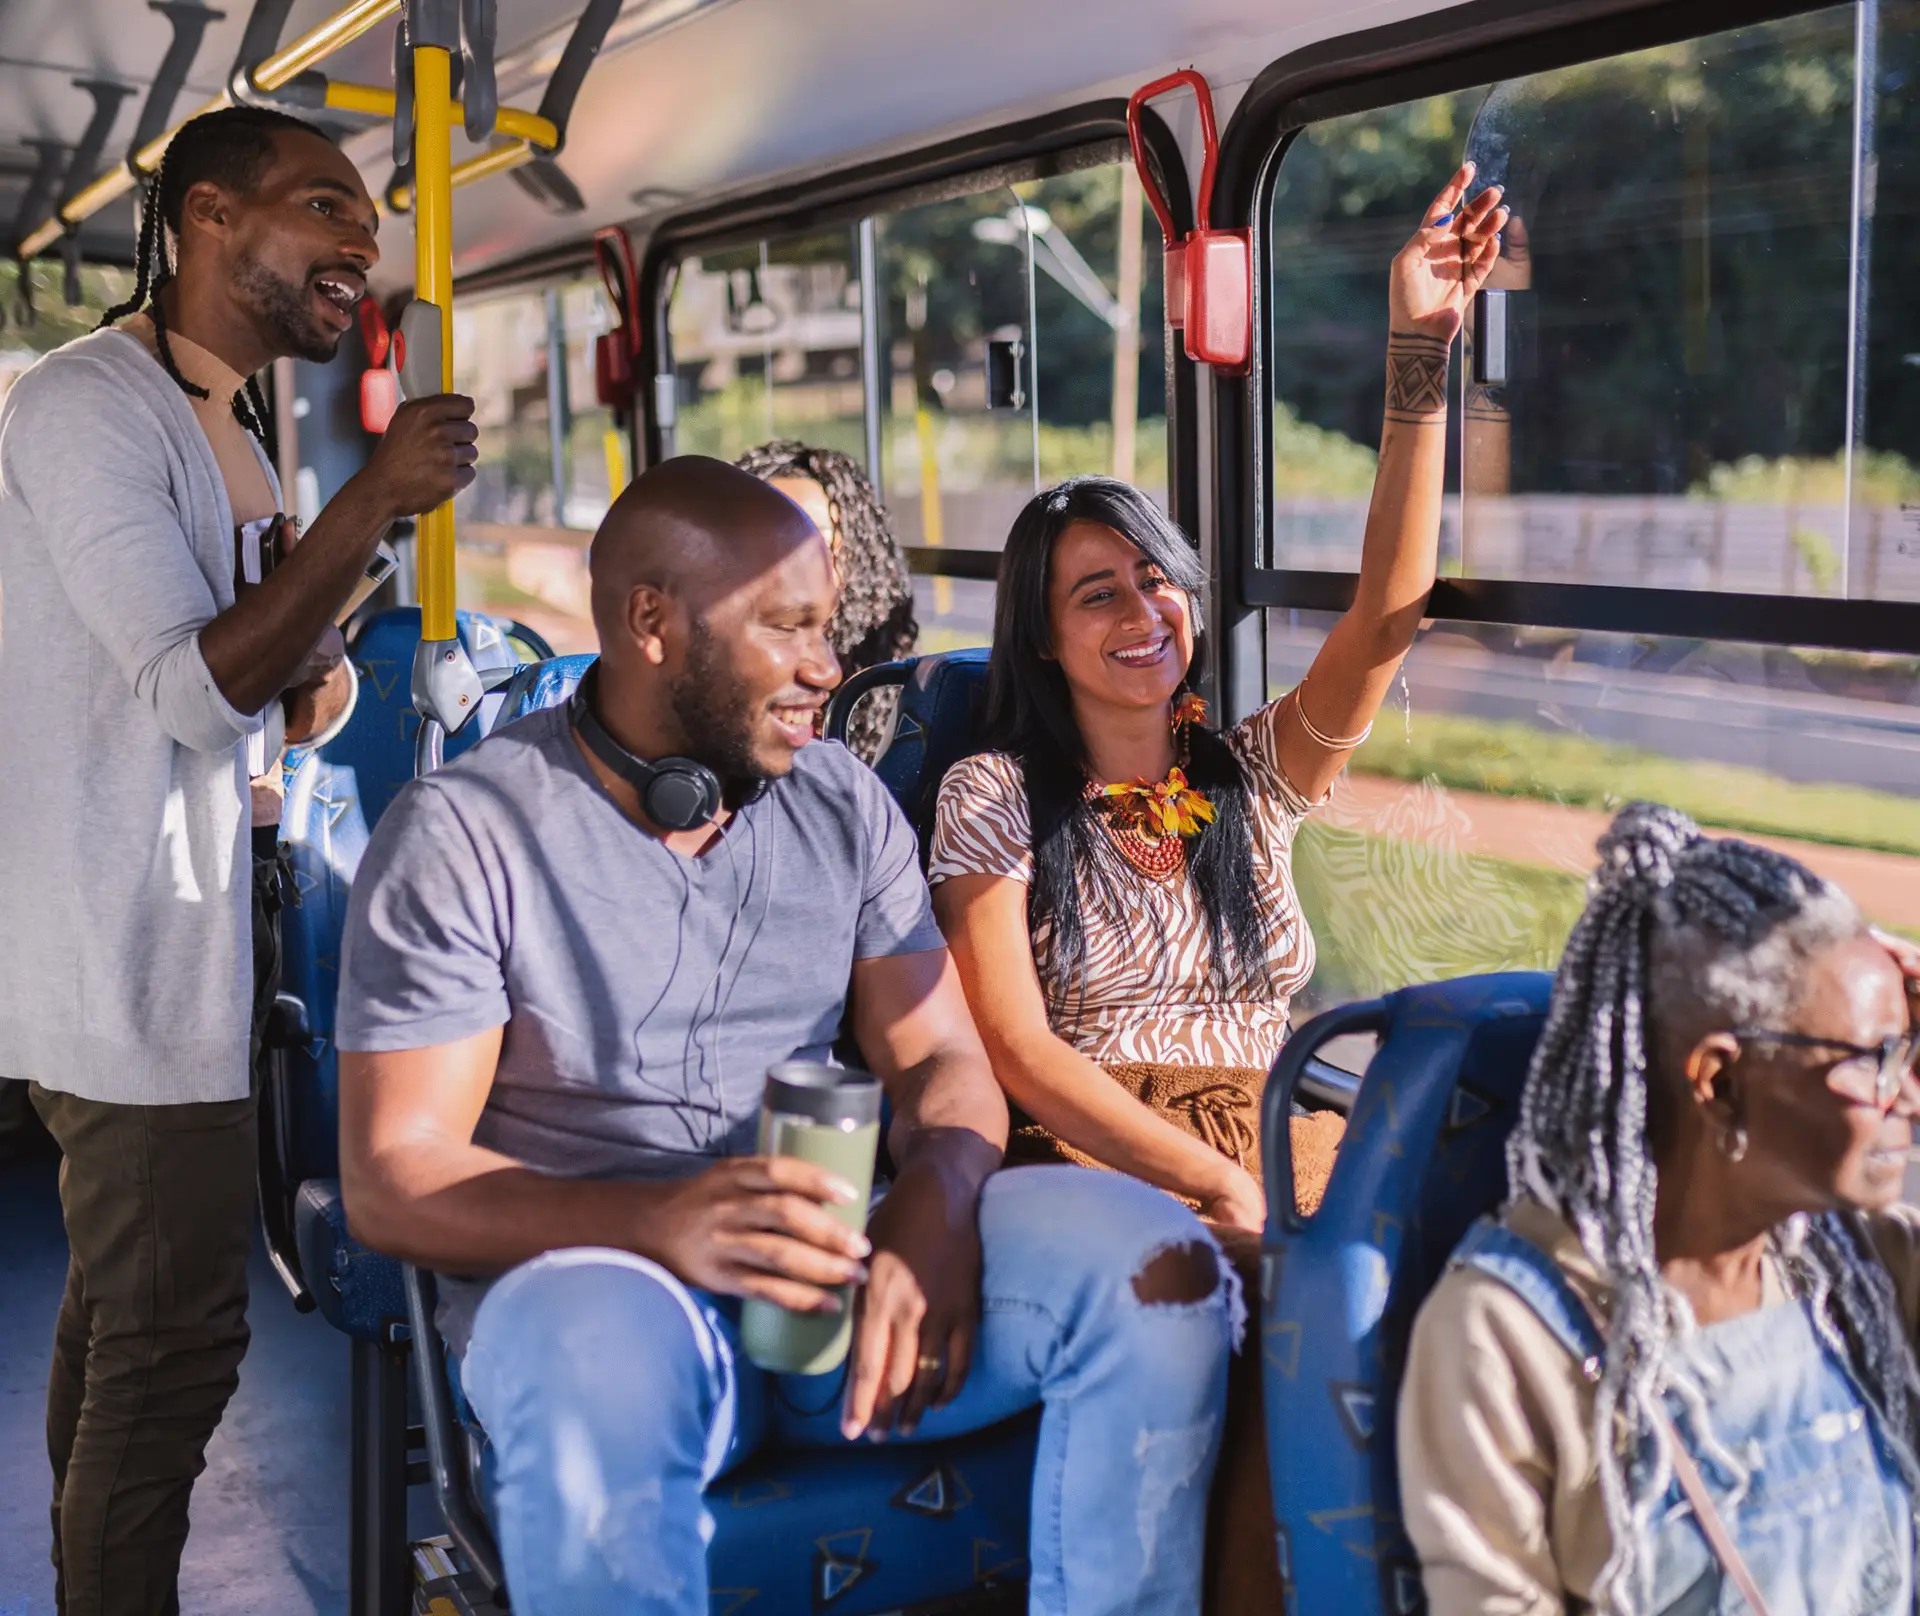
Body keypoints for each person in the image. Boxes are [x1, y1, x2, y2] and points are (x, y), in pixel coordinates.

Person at [334, 455, 1240, 1616]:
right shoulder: (466, 833)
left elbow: (940, 1058)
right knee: (591, 1377)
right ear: (651, 622)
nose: (826, 669)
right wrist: (663, 1217)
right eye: (786, 628)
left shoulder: (840, 801)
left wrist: (939, 1195)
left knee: (1165, 1271)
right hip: (597, 1280)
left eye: (830, 625)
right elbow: (396, 1178)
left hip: (837, 1265)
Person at [925, 166, 1506, 1612]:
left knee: (1453, 1276)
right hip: (1100, 1156)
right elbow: (1018, 1053)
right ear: (1044, 640)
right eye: (1096, 594)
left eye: (1155, 580)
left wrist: (1417, 354)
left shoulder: (1254, 773)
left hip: (1272, 1124)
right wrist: (1208, 1179)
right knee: (1267, 1300)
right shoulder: (992, 792)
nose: (1143, 615)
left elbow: (1387, 609)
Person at [0, 107, 475, 1615]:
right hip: (125, 937)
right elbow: (190, 686)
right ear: (207, 217)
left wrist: (319, 664)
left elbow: (275, 683)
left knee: (120, 1316)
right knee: (176, 1341)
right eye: (328, 209)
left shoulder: (236, 416)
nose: (363, 249)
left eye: (373, 228)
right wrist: (373, 500)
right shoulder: (88, 410)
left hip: (218, 918)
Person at [1399, 802, 1920, 1615]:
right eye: (1877, 1059)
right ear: (1720, 1083)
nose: (1909, 1096)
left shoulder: (1859, 1267)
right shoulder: (1505, 1336)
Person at [735, 439, 916, 760]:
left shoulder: (895, 690)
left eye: (814, 540)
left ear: (854, 555)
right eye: (769, 539)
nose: (791, 561)